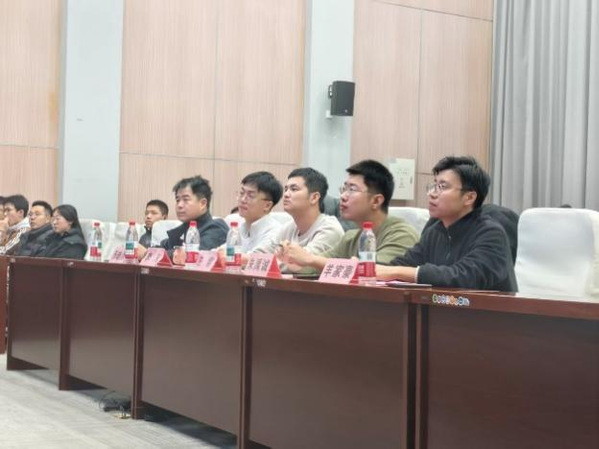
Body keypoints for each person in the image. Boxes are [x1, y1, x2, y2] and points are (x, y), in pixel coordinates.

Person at [377, 156, 517, 292]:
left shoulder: (491, 234)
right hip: (442, 306)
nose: (432, 194)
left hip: (486, 308)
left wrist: (397, 272)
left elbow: (462, 277)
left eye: (442, 187)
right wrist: (371, 269)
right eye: (434, 185)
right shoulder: (435, 231)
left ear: (469, 197)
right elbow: (405, 263)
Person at [280, 160, 419, 272]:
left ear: (376, 201)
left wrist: (309, 259)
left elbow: (371, 270)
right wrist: (291, 258)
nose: (343, 196)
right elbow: (314, 267)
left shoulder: (402, 234)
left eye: (352, 189)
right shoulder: (350, 237)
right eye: (344, 189)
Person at [252, 167, 344, 272]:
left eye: (294, 189)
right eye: (286, 189)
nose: (286, 194)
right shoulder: (289, 227)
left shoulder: (329, 229)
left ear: (314, 198)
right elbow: (259, 254)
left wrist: (261, 263)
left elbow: (302, 265)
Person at [150, 175, 228, 263]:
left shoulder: (216, 228)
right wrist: (147, 252)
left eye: (185, 200)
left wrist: (152, 255)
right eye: (177, 200)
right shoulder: (182, 229)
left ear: (202, 204)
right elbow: (162, 248)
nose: (179, 205)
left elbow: (193, 255)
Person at [234, 171, 283, 253]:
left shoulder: (275, 233)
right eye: (242, 193)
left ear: (267, 206)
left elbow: (253, 258)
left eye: (251, 196)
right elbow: (223, 251)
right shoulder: (240, 228)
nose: (242, 200)